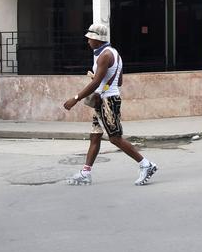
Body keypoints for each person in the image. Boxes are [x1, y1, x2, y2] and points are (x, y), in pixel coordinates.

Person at [64, 24, 158, 186]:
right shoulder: (114, 54)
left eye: (90, 38)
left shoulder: (104, 56)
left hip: (108, 102)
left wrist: (75, 98)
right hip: (104, 100)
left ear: (97, 39)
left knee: (115, 138)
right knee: (95, 136)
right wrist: (100, 82)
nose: (87, 41)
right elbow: (118, 81)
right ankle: (86, 172)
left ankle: (146, 165)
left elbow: (96, 84)